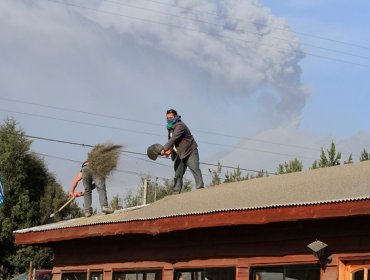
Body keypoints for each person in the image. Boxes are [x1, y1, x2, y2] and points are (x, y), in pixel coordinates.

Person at [161, 109, 204, 193]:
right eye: (167, 118)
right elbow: (174, 142)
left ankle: (200, 189)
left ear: (176, 117)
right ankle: (176, 192)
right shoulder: (170, 127)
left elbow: (174, 139)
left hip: (190, 151)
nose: (169, 119)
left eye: (171, 117)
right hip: (179, 154)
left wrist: (164, 149)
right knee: (178, 173)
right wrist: (169, 150)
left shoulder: (180, 125)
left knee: (195, 168)